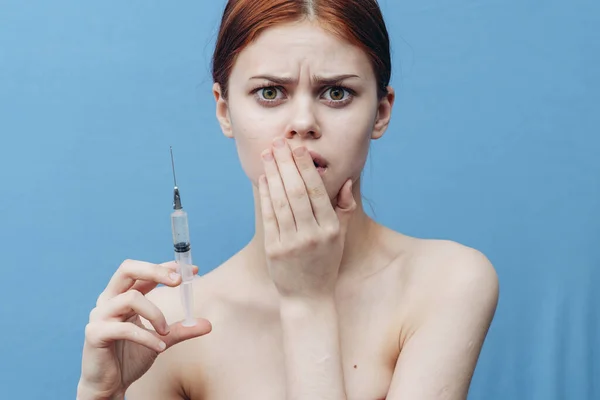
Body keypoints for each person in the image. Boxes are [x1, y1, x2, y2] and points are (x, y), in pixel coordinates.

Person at [77, 0, 499, 399]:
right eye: (270, 93)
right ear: (224, 111)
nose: (302, 123)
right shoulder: (170, 325)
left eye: (336, 93)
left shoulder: (447, 280)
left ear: (381, 113)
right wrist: (100, 395)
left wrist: (307, 301)